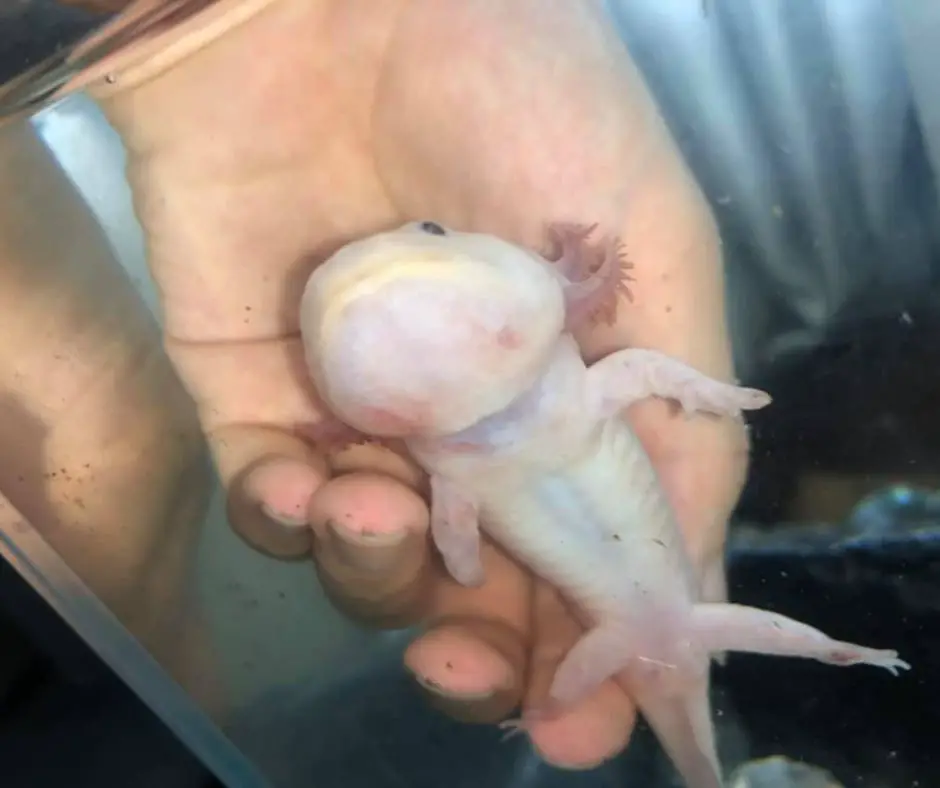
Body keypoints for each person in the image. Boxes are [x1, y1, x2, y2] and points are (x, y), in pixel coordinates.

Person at [58, 0, 751, 770]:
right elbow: (457, 542)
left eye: (424, 238)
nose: (380, 277)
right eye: (326, 307)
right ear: (356, 416)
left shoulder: (499, 426)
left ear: (570, 283)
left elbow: (460, 547)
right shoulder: (452, 467)